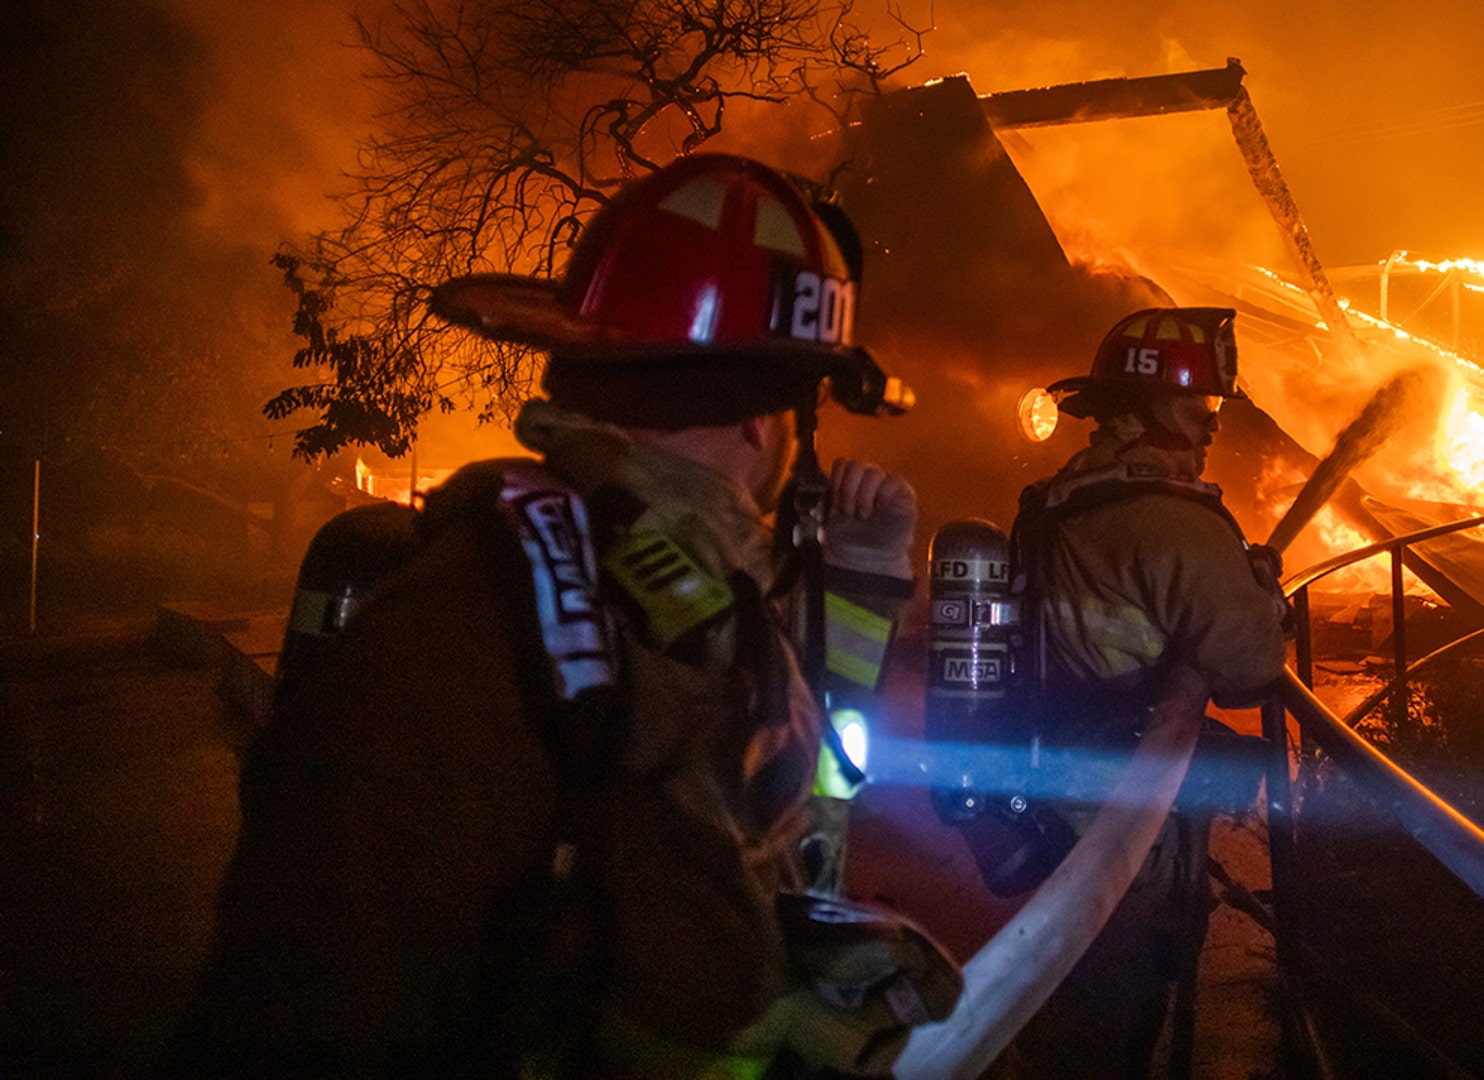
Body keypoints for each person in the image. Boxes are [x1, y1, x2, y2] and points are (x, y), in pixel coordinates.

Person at [169, 153, 955, 1078]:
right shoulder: (488, 624)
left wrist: (861, 577)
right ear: (761, 420)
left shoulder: (665, 590)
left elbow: (798, 798)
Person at [1007, 306, 1292, 1078]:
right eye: (1195, 407)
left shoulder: (1063, 498)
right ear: (1143, 412)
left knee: (1067, 983)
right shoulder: (1172, 520)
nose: (1208, 427)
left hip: (1053, 782)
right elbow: (1246, 668)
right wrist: (1265, 599)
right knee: (1116, 1003)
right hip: (1124, 800)